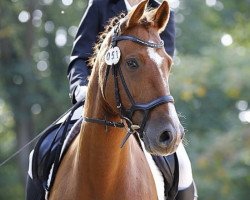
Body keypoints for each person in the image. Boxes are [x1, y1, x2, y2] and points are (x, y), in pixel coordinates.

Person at [26, 0, 197, 199]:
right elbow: (80, 57)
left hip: (143, 107)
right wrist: (80, 88)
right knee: (36, 155)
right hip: (96, 101)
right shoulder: (101, 4)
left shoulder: (162, 13)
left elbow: (158, 69)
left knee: (183, 167)